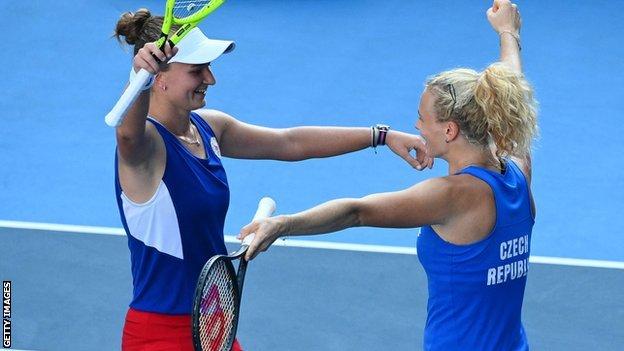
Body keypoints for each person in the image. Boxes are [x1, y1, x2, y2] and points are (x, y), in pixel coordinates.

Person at [111, 7, 431, 351]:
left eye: (209, 68)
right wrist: (136, 80)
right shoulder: (144, 150)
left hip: (211, 323)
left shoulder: (208, 127)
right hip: (159, 335)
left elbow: (289, 142)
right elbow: (127, 137)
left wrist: (379, 136)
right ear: (159, 78)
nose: (210, 78)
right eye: (197, 70)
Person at [240, 1, 536, 350]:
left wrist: (283, 225)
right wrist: (507, 33)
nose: (416, 125)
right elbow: (510, 87)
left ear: (450, 131)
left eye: (422, 117)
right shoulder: (518, 169)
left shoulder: (452, 196)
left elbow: (358, 211)